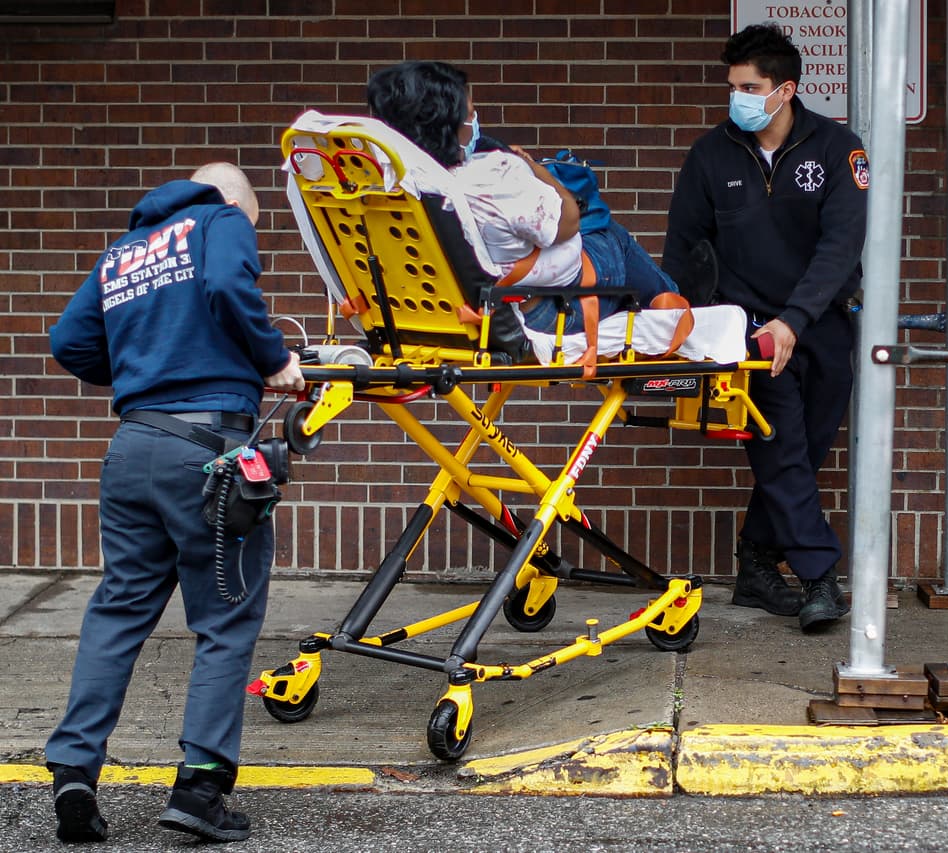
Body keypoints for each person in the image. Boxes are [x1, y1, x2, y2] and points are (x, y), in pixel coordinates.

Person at [45, 162, 306, 843]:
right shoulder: (221, 219)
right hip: (207, 451)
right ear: (235, 205)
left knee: (119, 606)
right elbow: (224, 283)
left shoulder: (126, 249)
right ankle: (201, 787)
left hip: (133, 448)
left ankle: (75, 767)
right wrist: (275, 358)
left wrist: (144, 367)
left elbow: (67, 341)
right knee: (224, 617)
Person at [662, 24, 868, 632]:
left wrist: (795, 321)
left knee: (805, 453)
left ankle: (755, 562)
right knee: (781, 453)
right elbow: (682, 245)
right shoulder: (711, 154)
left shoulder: (837, 148)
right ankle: (819, 577)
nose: (737, 98)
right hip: (746, 332)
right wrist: (674, 312)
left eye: (749, 86)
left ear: (786, 90)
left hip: (820, 324)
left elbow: (840, 247)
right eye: (733, 86)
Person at [365, 60, 682, 337]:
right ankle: (670, 300)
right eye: (471, 112)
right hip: (544, 312)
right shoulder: (496, 176)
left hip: (445, 313)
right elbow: (569, 220)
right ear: (448, 123)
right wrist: (528, 166)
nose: (475, 119)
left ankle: (663, 298)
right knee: (605, 232)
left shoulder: (394, 184)